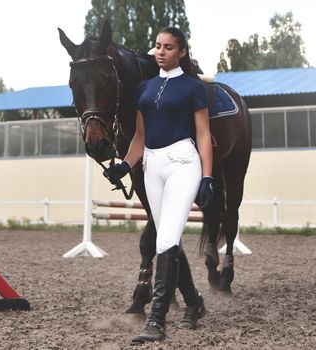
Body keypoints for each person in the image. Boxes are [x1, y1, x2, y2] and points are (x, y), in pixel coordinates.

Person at [104, 27, 214, 343]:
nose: (161, 52)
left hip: (183, 164)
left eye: (168, 47)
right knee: (170, 238)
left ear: (181, 52)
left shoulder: (194, 88)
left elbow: (204, 135)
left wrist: (206, 176)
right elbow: (140, 137)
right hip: (152, 166)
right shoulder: (143, 90)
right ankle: (194, 302)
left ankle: (157, 320)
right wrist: (126, 165)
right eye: (157, 46)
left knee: (164, 238)